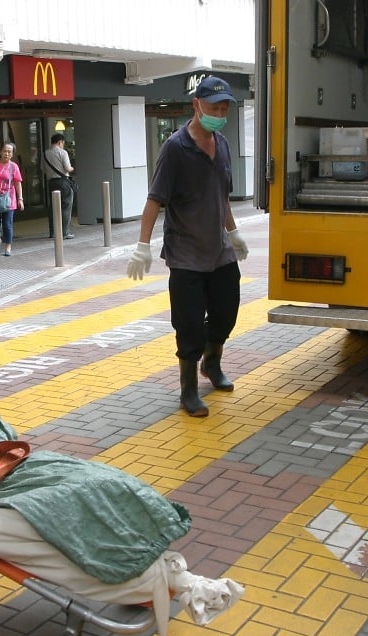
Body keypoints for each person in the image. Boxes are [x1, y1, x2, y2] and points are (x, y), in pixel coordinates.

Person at [126, 76, 249, 418]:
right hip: (186, 256)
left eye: (224, 108)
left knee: (227, 312)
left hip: (220, 251)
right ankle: (188, 389)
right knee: (189, 324)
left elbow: (221, 195)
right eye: (214, 107)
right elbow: (155, 198)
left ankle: (212, 363)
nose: (220, 113)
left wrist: (234, 233)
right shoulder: (175, 148)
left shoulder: (221, 143)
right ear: (197, 105)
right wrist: (142, 245)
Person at [43, 133, 76, 239]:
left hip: (51, 183)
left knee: (53, 207)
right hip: (63, 182)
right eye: (63, 143)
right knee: (66, 207)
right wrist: (72, 168)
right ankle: (65, 232)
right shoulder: (63, 152)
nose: (63, 145)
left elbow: (42, 169)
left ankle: (52, 232)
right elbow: (67, 168)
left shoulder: (45, 154)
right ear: (60, 142)